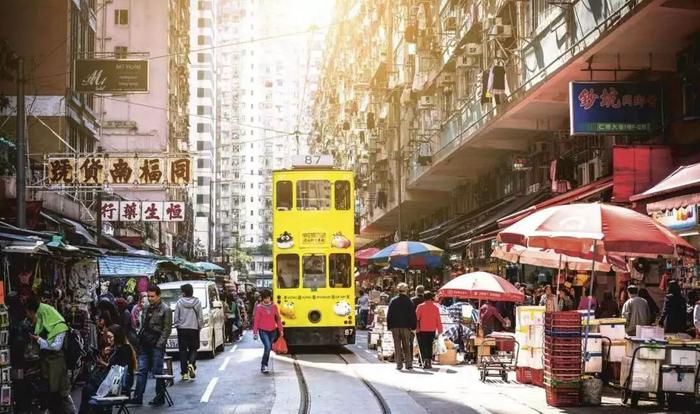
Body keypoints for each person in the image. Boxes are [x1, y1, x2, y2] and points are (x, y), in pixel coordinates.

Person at [26, 297, 77, 414]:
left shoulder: (59, 327)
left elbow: (55, 346)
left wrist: (39, 340)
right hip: (49, 366)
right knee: (53, 395)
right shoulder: (47, 326)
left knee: (62, 393)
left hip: (57, 366)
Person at [79, 325, 137, 413]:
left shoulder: (124, 350)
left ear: (117, 337)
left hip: (118, 385)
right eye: (108, 337)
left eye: (110, 337)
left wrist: (108, 359)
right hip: (113, 382)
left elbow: (117, 371)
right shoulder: (120, 349)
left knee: (88, 389)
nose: (108, 340)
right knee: (88, 387)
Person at [132, 284, 172, 406]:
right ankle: (138, 397)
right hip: (144, 343)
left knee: (157, 371)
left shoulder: (166, 309)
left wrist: (159, 345)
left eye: (152, 296)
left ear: (158, 295)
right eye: (148, 296)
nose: (150, 298)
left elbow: (167, 330)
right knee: (142, 370)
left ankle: (160, 397)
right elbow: (143, 324)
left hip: (156, 345)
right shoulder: (147, 308)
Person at [172, 283, 203, 381]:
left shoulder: (179, 302)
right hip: (194, 329)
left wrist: (177, 325)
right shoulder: (197, 302)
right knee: (194, 349)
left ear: (184, 292)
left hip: (182, 330)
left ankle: (184, 374)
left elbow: (176, 317)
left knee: (182, 351)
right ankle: (191, 363)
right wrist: (199, 326)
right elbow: (200, 317)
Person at [386, 283, 416, 371]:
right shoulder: (409, 301)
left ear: (398, 290)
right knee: (406, 344)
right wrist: (413, 326)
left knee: (397, 345)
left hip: (395, 326)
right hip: (406, 326)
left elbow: (389, 314)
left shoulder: (393, 300)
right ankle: (408, 364)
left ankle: (399, 364)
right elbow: (412, 315)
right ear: (406, 290)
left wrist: (389, 326)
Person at [253, 289, 283, 374]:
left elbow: (278, 319)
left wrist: (281, 329)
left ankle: (264, 365)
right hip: (263, 331)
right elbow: (256, 321)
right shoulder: (259, 307)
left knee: (268, 348)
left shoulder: (274, 306)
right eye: (265, 298)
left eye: (268, 298)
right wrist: (255, 332)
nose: (267, 300)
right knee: (268, 347)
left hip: (273, 331)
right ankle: (264, 365)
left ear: (270, 297)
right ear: (262, 298)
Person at [415, 291, 443, 369]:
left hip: (422, 329)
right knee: (430, 345)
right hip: (432, 329)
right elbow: (438, 320)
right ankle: (429, 361)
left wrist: (416, 328)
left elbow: (416, 319)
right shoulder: (436, 308)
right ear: (432, 298)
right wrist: (440, 330)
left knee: (422, 345)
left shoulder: (420, 307)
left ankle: (423, 360)